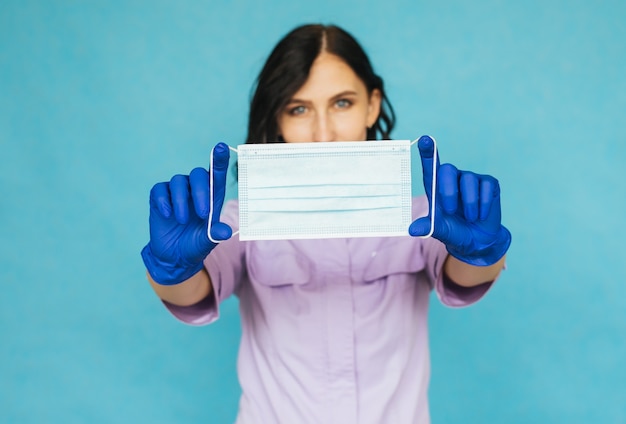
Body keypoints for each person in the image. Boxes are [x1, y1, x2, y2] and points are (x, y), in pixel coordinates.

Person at [141, 24, 511, 424]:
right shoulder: (239, 222)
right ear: (277, 120)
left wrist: (480, 254)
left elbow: (464, 280)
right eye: (298, 109)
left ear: (372, 106)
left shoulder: (421, 219)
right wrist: (172, 270)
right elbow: (192, 295)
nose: (323, 134)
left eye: (342, 103)